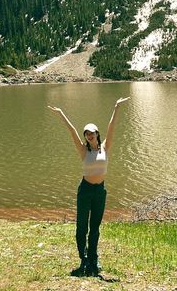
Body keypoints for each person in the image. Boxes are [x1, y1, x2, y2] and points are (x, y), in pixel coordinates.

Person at [48, 96, 130, 276]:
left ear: (97, 133)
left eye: (91, 132)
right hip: (85, 190)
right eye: (86, 133)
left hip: (100, 191)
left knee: (95, 227)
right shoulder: (83, 150)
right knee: (81, 227)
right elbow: (71, 131)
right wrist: (61, 113)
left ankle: (93, 257)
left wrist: (116, 107)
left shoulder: (105, 148)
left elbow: (112, 126)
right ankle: (83, 258)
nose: (89, 135)